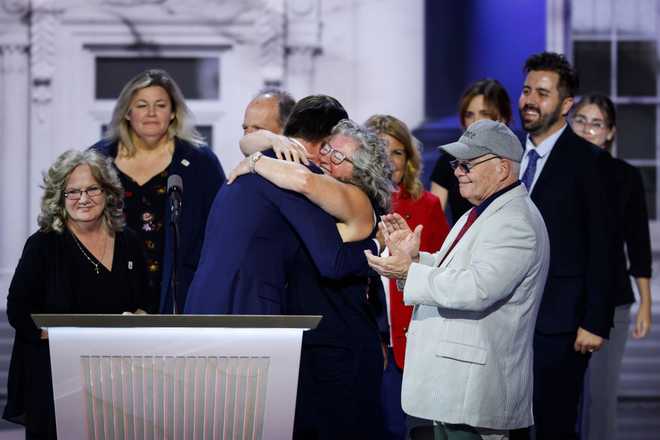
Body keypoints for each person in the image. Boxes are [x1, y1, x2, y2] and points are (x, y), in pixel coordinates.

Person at [185, 95, 390, 439]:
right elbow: (333, 260)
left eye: (340, 155)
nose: (328, 159)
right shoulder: (293, 172)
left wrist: (254, 158)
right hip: (247, 310)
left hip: (204, 303)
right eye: (331, 149)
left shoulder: (263, 163)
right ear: (322, 142)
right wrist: (377, 246)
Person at [365, 119, 550, 440]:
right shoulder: (480, 211)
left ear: (503, 168)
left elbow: (477, 288)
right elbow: (455, 268)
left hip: (472, 393)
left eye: (468, 164)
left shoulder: (516, 222)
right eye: (456, 164)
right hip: (452, 390)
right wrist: (415, 258)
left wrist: (409, 273)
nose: (458, 172)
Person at [2, 150, 149, 439]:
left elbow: (146, 301)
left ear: (107, 192)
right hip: (56, 375)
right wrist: (65, 337)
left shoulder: (129, 241)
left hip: (116, 373)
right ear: (59, 197)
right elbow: (18, 310)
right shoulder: (43, 244)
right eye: (72, 191)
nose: (83, 198)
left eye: (92, 188)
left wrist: (138, 317)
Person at [515, 52, 615, 440]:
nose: (530, 100)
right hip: (505, 318)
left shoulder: (591, 163)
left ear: (566, 104)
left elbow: (604, 247)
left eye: (542, 92)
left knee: (554, 424)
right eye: (526, 90)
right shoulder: (505, 155)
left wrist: (594, 320)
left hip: (562, 322)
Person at [92, 68, 225, 314]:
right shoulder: (98, 158)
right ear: (127, 113)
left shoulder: (200, 161)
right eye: (141, 105)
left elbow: (221, 230)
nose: (151, 113)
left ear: (173, 112)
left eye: (160, 105)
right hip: (109, 288)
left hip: (178, 293)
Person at [570, 94, 653, 440]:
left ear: (610, 132)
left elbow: (638, 242)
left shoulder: (625, 177)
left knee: (600, 397)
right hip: (563, 298)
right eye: (581, 121)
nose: (588, 129)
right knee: (563, 397)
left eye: (597, 123)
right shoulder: (556, 173)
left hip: (613, 299)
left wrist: (645, 302)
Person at [365, 114, 450, 440]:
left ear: (409, 160)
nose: (389, 160)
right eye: (381, 150)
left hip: (408, 340)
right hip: (365, 336)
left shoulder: (426, 205)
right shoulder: (348, 200)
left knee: (401, 429)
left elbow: (443, 268)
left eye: (398, 152)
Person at [430, 79, 513, 224]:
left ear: (502, 119)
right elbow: (433, 220)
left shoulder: (519, 160)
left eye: (484, 114)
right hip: (464, 245)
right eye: (469, 115)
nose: (475, 122)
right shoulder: (448, 160)